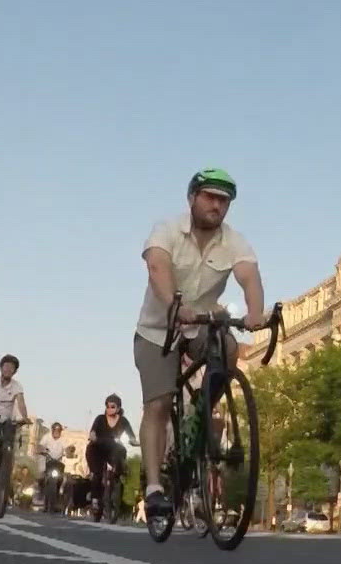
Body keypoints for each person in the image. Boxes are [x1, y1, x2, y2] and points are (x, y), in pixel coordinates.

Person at [134, 168, 267, 522]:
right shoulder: (167, 229)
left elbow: (249, 276)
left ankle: (201, 417)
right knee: (159, 403)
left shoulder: (234, 242)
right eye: (209, 197)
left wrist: (255, 313)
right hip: (156, 330)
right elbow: (157, 266)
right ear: (192, 198)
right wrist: (175, 307)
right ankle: (154, 489)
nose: (217, 206)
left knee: (228, 349)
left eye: (224, 201)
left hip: (202, 325)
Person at [87, 394, 133, 519]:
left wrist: (135, 441)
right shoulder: (100, 418)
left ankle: (116, 483)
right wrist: (93, 436)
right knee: (96, 474)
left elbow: (131, 435)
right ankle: (95, 500)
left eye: (112, 406)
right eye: (107, 406)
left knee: (121, 452)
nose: (109, 409)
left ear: (118, 408)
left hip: (113, 448)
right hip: (96, 448)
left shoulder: (123, 421)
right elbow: (93, 431)